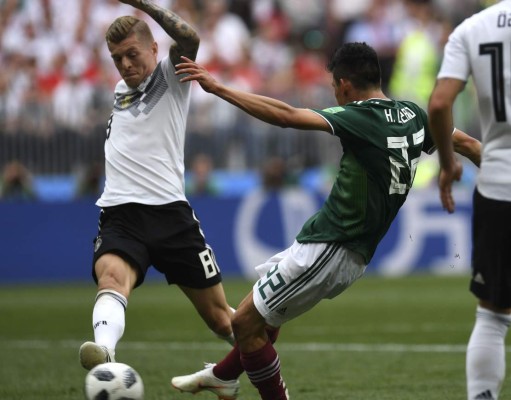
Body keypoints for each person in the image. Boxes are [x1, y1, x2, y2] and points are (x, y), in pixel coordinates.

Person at [170, 42, 481, 400]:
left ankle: (234, 383)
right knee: (261, 320)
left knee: (243, 322)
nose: (334, 93)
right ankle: (223, 375)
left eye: (335, 86)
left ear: (345, 84)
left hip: (333, 245)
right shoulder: (414, 114)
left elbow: (287, 116)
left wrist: (219, 87)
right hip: (335, 244)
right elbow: (471, 145)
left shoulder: (359, 116)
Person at [78, 0, 235, 371]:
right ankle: (105, 355)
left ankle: (261, 364)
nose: (126, 64)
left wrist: (141, 6)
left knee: (222, 321)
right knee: (112, 277)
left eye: (132, 54)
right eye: (117, 58)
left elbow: (189, 36)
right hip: (120, 213)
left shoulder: (171, 74)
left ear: (153, 48)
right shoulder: (120, 90)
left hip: (169, 214)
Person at [428, 2, 510, 399]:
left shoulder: (471, 29)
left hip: (499, 184)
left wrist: (448, 164)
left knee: (492, 315)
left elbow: (440, 103)